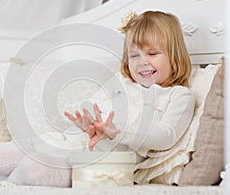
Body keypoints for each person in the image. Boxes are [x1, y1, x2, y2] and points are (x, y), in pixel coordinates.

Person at [64, 11, 195, 184]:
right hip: (71, 142)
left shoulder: (178, 95)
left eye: (152, 53)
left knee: (35, 170)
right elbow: (91, 103)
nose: (142, 62)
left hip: (99, 164)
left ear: (175, 55)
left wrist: (118, 132)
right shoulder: (121, 81)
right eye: (134, 55)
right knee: (26, 150)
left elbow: (166, 136)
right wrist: (85, 119)